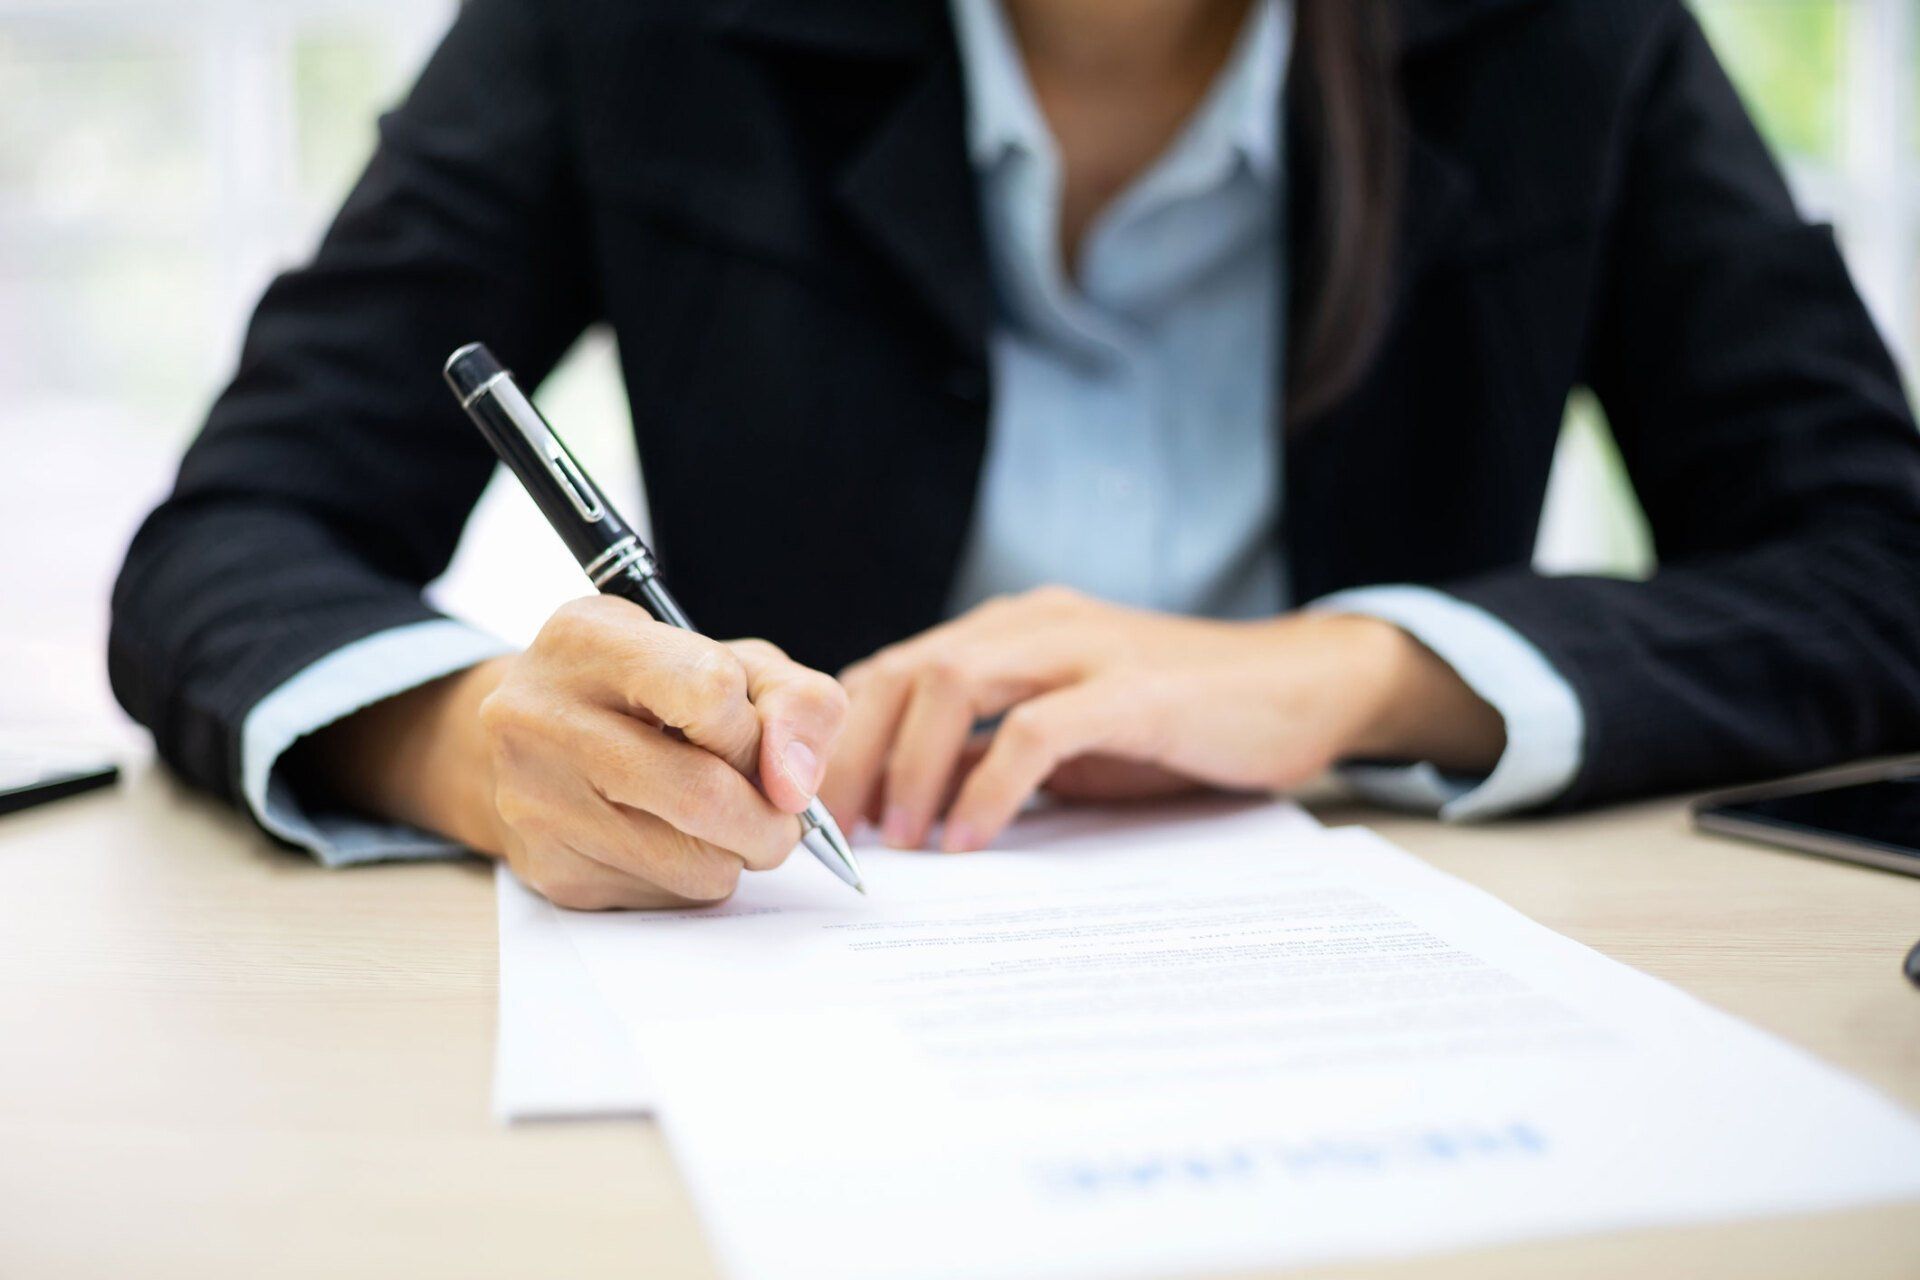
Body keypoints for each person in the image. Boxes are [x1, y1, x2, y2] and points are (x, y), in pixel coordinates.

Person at [111, 0, 1920, 909]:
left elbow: (1877, 556)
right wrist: (472, 750)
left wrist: (1351, 673)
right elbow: (232, 530)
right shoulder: (636, 24)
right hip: (816, 998)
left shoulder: (1564, 33)